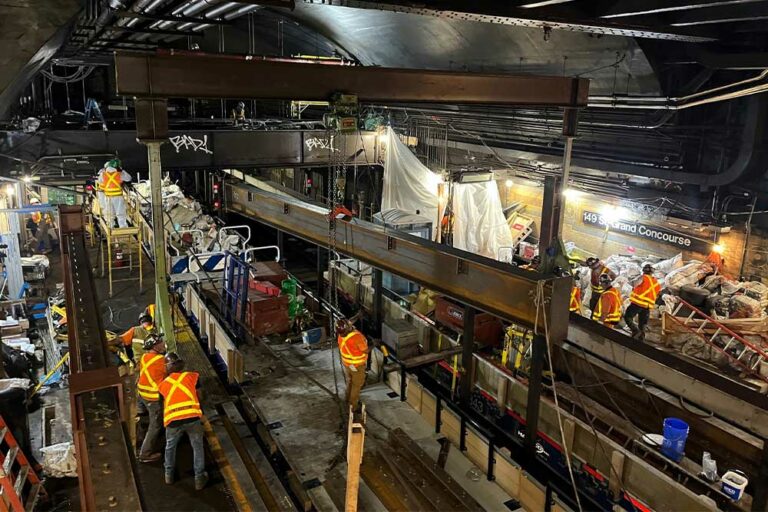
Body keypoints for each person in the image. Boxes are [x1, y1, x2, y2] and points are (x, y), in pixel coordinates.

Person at [159, 352, 208, 490]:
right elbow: (201, 396)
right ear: (181, 365)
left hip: (173, 421)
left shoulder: (163, 385)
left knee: (170, 447)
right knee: (197, 446)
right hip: (192, 417)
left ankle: (169, 475)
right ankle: (199, 479)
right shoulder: (192, 377)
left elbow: (165, 402)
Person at [136, 334, 167, 463]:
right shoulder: (160, 360)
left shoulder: (144, 357)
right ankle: (145, 454)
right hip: (152, 397)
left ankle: (139, 437)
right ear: (155, 346)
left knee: (144, 417)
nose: (163, 343)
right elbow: (171, 371)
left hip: (141, 393)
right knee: (155, 425)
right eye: (160, 342)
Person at [336, 317, 370, 410]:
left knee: (350, 382)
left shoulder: (341, 335)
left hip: (348, 365)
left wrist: (358, 315)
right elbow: (366, 351)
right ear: (349, 328)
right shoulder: (356, 337)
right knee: (357, 385)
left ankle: (347, 399)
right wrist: (374, 344)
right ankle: (353, 406)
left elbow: (349, 322)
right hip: (357, 366)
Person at [624, 264, 661, 341]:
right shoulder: (656, 282)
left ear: (644, 270)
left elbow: (634, 283)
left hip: (637, 303)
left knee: (628, 317)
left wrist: (631, 280)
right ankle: (641, 337)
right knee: (643, 322)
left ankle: (635, 330)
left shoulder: (642, 277)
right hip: (647, 306)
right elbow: (657, 295)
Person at [97, 159, 132, 228]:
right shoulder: (119, 174)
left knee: (109, 213)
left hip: (108, 197)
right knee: (120, 213)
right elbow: (129, 178)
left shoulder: (102, 175)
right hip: (118, 197)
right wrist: (122, 170)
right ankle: (123, 227)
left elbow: (101, 188)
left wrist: (102, 202)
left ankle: (110, 226)